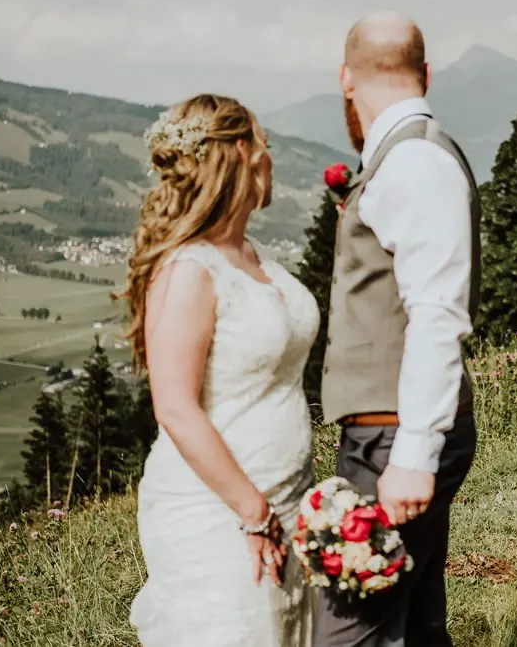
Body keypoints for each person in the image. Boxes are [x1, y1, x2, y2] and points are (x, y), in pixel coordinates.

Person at [119, 94, 319, 646]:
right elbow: (176, 408)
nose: (271, 158)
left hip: (287, 501)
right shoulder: (189, 270)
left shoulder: (253, 256)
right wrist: (252, 511)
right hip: (218, 513)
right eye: (264, 145)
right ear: (238, 153)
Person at [314, 11, 481, 646]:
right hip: (389, 431)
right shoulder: (404, 157)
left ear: (345, 78)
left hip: (395, 437)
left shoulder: (413, 161)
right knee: (411, 624)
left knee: (354, 625)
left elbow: (437, 313)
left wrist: (413, 455)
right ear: (426, 73)